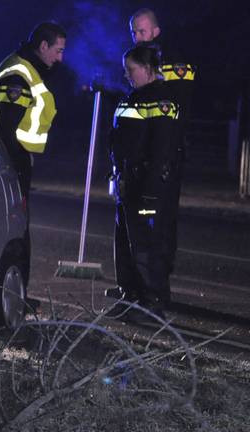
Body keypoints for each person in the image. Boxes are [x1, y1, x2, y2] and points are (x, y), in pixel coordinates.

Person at [107, 45, 180, 322]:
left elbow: (163, 149)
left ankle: (152, 303)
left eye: (131, 69)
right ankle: (130, 296)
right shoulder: (132, 98)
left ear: (148, 69)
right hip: (127, 182)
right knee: (125, 244)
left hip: (147, 186)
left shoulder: (162, 101)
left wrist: (152, 190)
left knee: (147, 246)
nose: (127, 75)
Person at [130, 8, 195, 280]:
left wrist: (167, 151)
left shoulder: (173, 61)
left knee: (163, 217)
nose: (137, 37)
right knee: (142, 219)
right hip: (145, 151)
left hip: (167, 150)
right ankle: (142, 281)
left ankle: (159, 281)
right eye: (133, 32)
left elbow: (176, 107)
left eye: (142, 31)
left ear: (156, 31)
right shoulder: (138, 59)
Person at [0, 22, 66, 197]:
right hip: (9, 160)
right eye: (58, 51)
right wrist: (15, 164)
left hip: (13, 157)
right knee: (16, 218)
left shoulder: (28, 67)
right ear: (44, 46)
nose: (60, 58)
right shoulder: (18, 77)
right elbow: (5, 130)